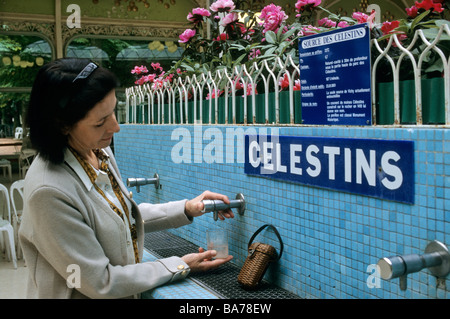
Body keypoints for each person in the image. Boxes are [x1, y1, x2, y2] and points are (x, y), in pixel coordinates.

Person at [19, 58, 234, 299]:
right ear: (62, 126)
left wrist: (186, 208)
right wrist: (179, 265)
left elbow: (118, 217)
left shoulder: (98, 151)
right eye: (100, 122)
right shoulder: (49, 191)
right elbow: (100, 282)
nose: (115, 127)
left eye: (113, 111)